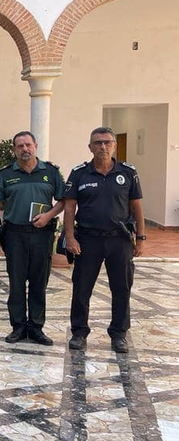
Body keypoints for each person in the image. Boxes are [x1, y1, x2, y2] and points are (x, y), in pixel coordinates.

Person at [64, 126, 145, 353]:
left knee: (121, 288)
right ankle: (79, 332)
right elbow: (69, 208)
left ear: (114, 145)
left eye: (107, 142)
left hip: (119, 240)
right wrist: (70, 237)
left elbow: (136, 206)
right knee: (82, 288)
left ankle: (118, 334)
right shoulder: (79, 173)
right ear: (90, 147)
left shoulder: (128, 173)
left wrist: (141, 238)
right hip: (88, 240)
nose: (103, 147)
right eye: (98, 143)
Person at [0, 131, 64, 346]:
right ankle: (18, 326)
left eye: (28, 145)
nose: (25, 149)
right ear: (14, 150)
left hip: (42, 234)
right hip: (15, 234)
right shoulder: (5, 174)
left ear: (35, 146)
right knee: (17, 282)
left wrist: (48, 215)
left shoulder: (50, 172)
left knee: (39, 282)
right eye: (20, 146)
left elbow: (63, 201)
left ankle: (36, 327)